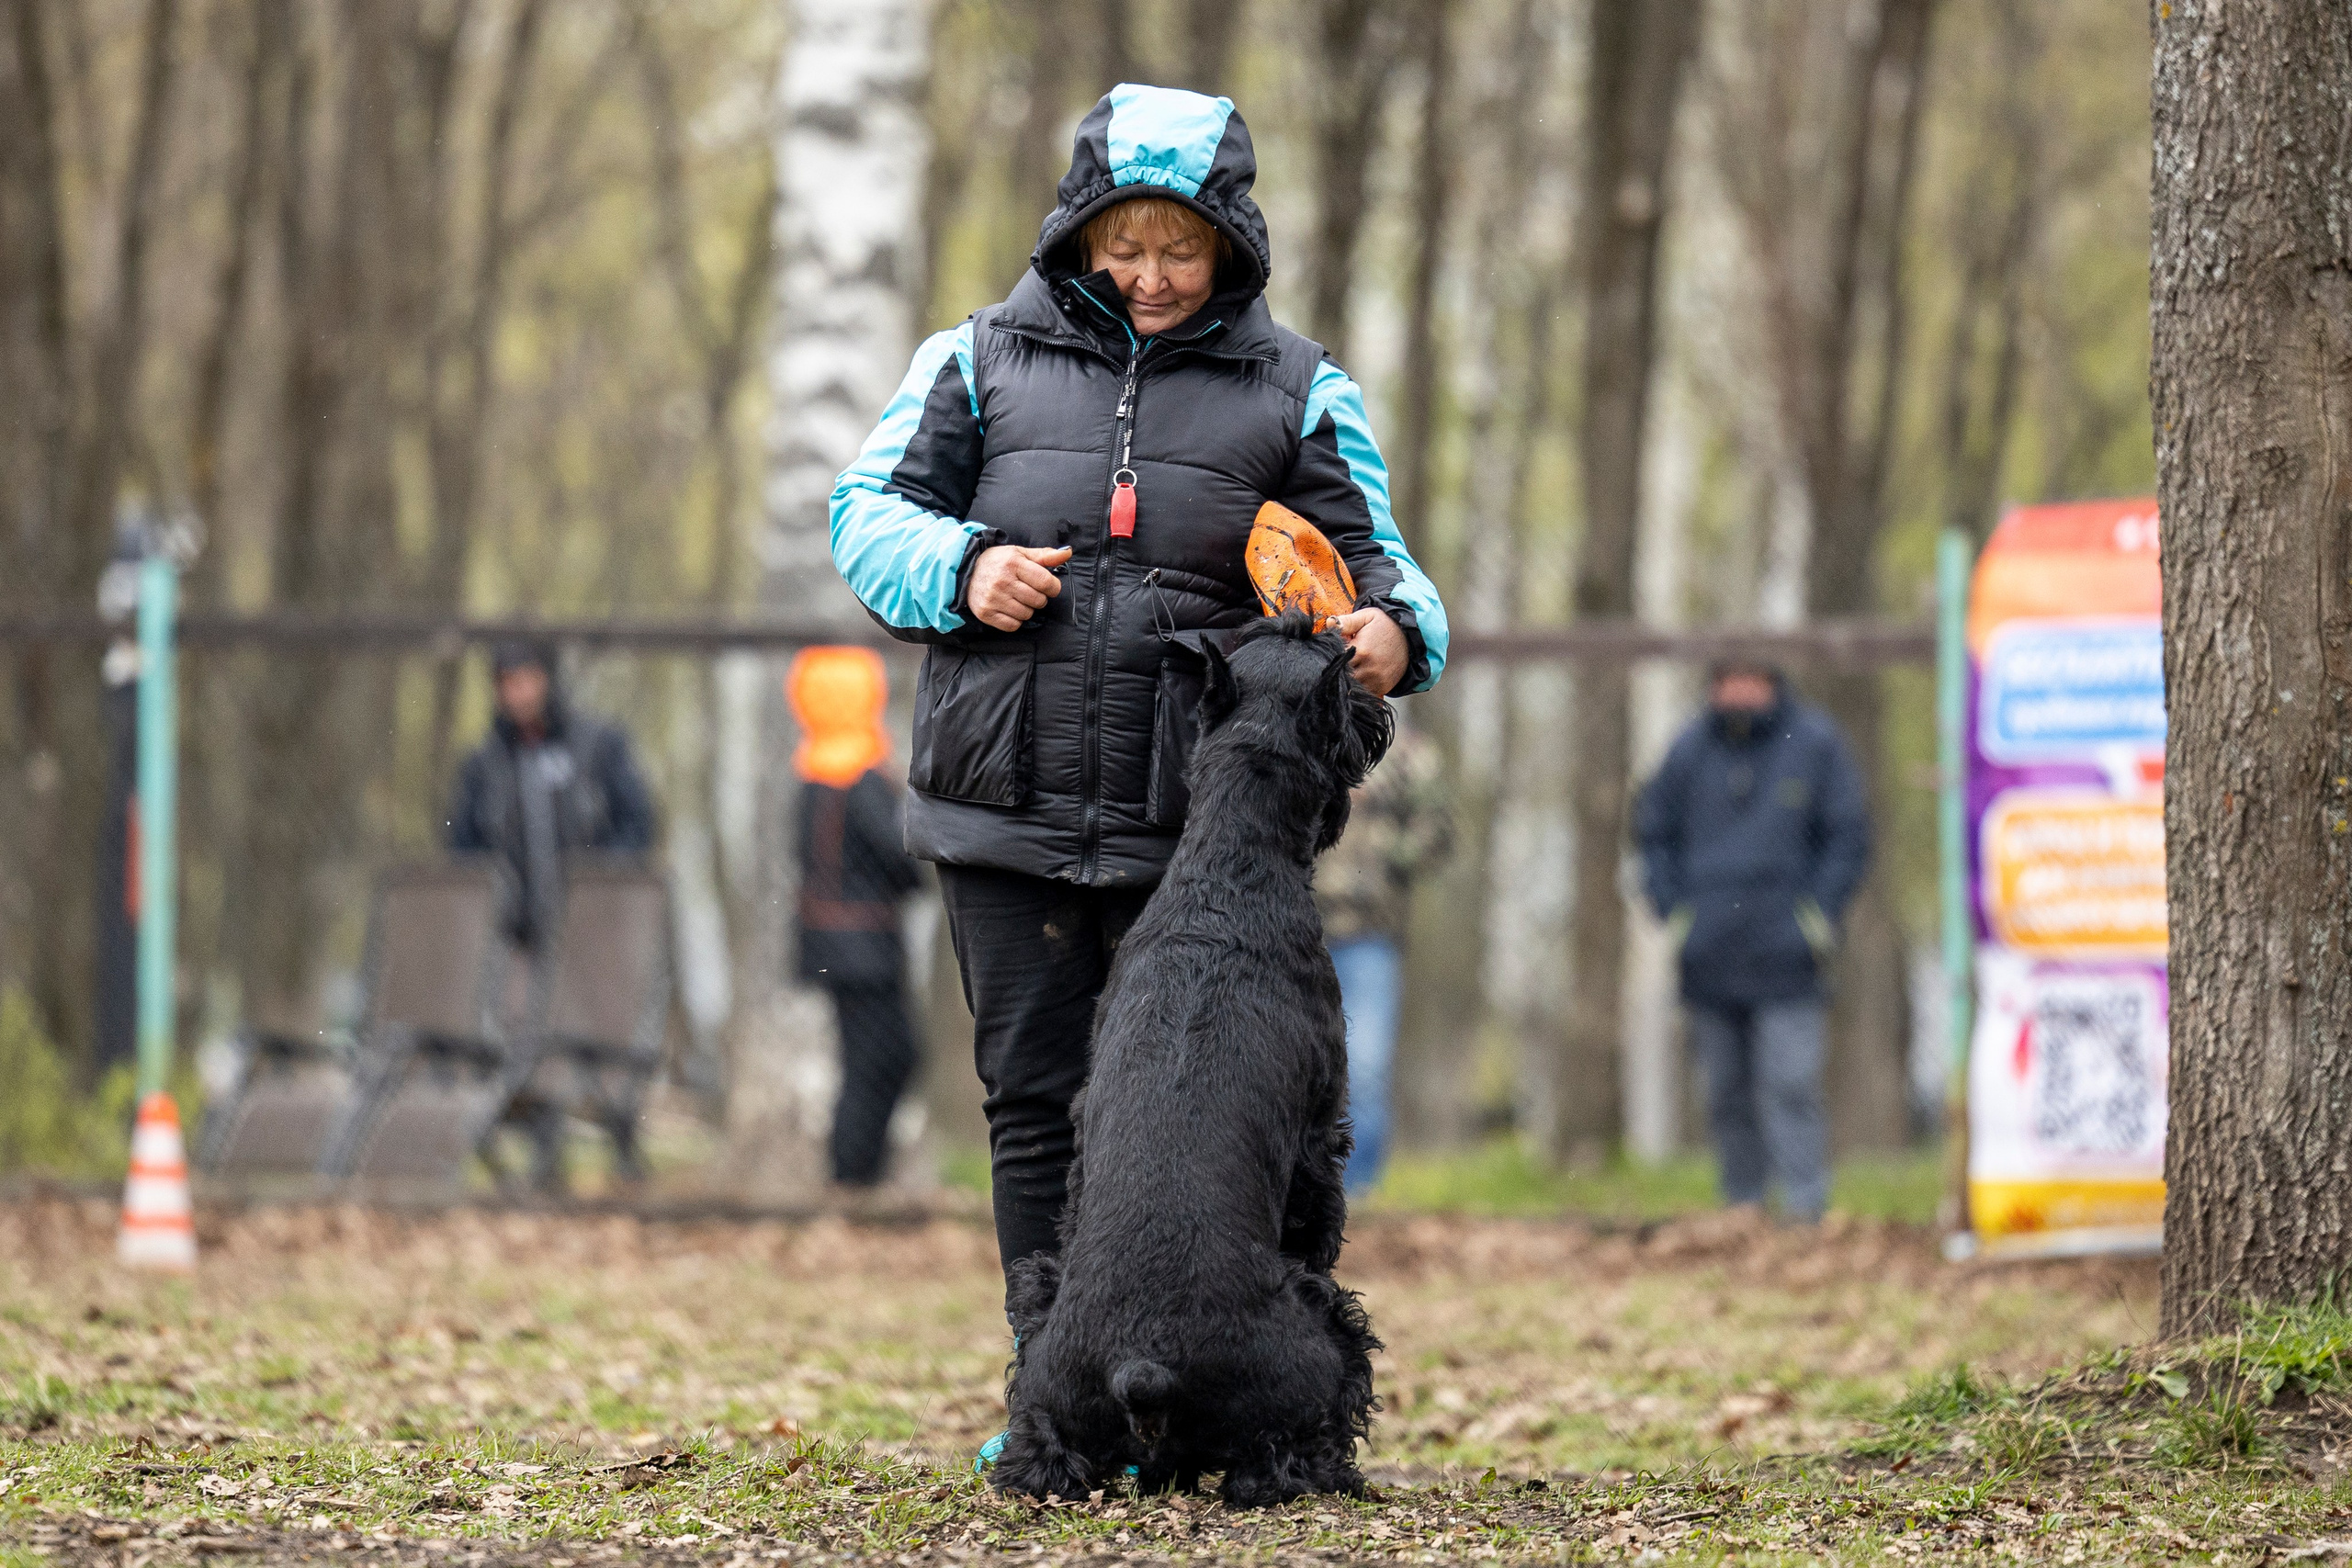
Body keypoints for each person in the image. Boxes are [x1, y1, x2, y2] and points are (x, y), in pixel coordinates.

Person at [827, 85, 1450, 1298]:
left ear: (1230, 245)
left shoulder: (1300, 388)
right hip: (1003, 810)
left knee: (1186, 1107)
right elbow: (865, 512)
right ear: (1079, 234)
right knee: (1032, 1105)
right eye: (1126, 247)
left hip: (1191, 825)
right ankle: (1049, 1368)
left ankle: (1190, 1351)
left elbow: (1381, 564)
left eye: (1181, 251)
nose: (1153, 278)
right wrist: (964, 568)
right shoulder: (972, 360)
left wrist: (1398, 628)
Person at [1633, 660, 1871, 1224]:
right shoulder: (1687, 751)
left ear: (1772, 683)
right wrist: (1678, 915)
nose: (1739, 692)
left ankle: (1806, 1210)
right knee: (1725, 1093)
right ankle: (1743, 1211)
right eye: (1728, 680)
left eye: (1751, 679)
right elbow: (1652, 834)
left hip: (1789, 960)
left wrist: (1815, 918)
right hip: (1709, 958)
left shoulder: (1815, 745)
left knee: (1791, 1085)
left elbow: (1848, 836)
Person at [786, 646, 925, 1188]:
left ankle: (856, 1175)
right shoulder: (862, 779)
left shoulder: (810, 774)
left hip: (829, 943)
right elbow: (899, 857)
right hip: (866, 946)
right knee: (883, 1061)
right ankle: (853, 1179)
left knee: (872, 1061)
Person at [1313, 713, 1450, 1196]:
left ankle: (1358, 1192)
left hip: (1370, 934)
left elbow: (1437, 836)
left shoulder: (1411, 756)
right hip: (1294, 927)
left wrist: (1381, 846)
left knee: (1366, 1067)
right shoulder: (1302, 730)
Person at [447, 640, 657, 947]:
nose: (516, 694)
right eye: (506, 683)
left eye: (525, 681)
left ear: (547, 679)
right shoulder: (482, 765)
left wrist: (600, 885)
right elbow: (463, 852)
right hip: (509, 942)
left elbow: (637, 826)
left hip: (595, 935)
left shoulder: (600, 746)